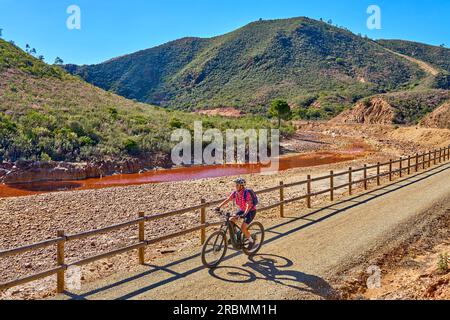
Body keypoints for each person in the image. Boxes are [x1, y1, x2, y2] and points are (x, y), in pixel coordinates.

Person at [216, 178, 257, 249]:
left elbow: (248, 204)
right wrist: (218, 207)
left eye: (237, 185)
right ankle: (234, 237)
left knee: (243, 228)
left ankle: (251, 241)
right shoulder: (235, 193)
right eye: (236, 185)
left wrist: (245, 213)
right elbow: (228, 199)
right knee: (231, 220)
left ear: (242, 186)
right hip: (242, 210)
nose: (236, 186)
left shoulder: (246, 193)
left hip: (250, 211)